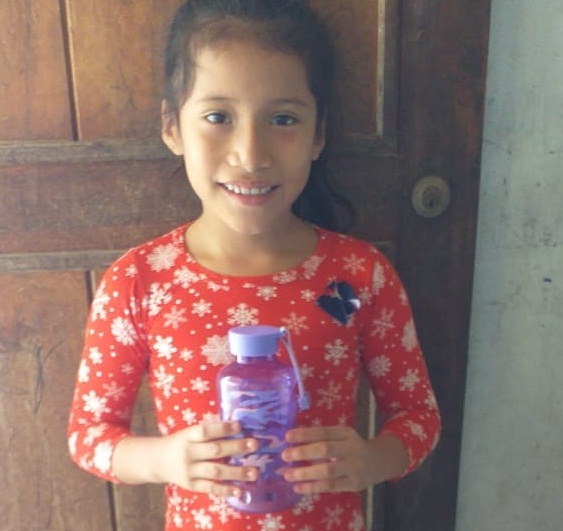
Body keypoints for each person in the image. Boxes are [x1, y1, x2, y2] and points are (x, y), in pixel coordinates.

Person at [67, 1, 441, 529]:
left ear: (318, 135)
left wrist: (370, 460)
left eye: (283, 119)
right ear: (172, 127)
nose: (250, 154)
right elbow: (88, 435)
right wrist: (167, 459)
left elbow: (418, 417)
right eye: (218, 117)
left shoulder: (359, 275)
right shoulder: (140, 280)